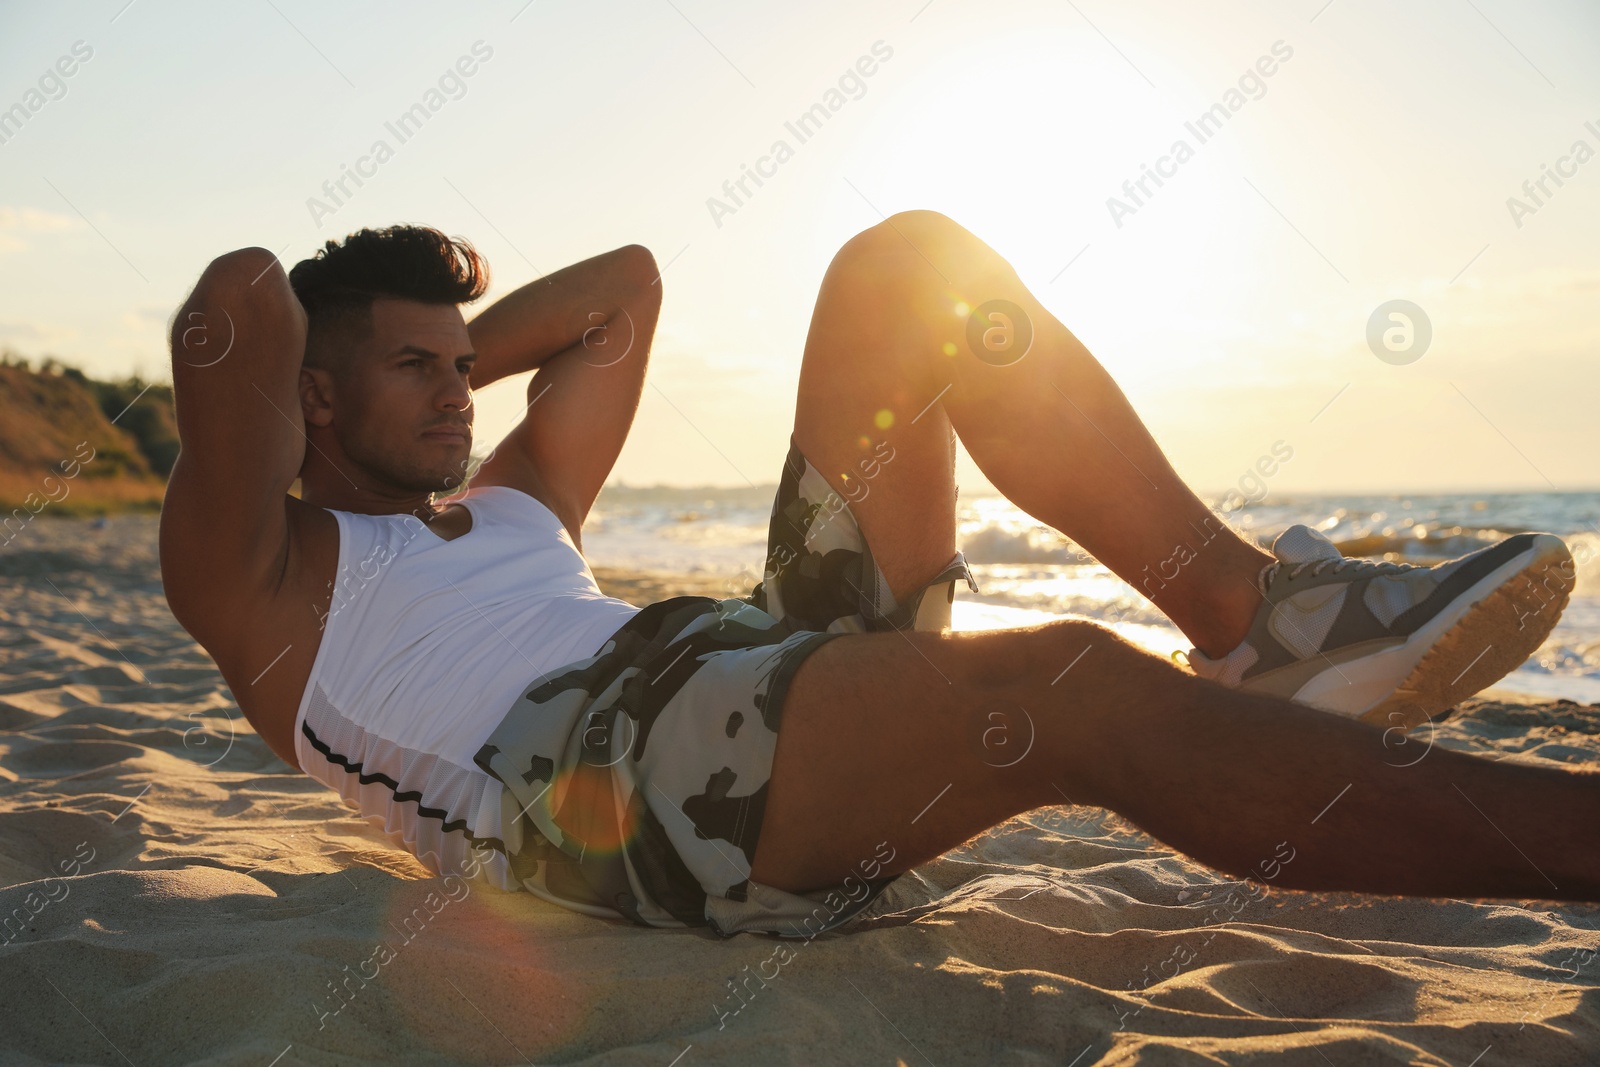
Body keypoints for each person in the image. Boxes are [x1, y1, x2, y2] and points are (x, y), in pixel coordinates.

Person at [159, 215, 1587, 940]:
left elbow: (628, 288)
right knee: (1068, 684)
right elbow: (232, 302)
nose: (463, 397)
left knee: (907, 270)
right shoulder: (266, 580)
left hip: (743, 672)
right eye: (418, 371)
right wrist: (338, 360)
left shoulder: (515, 499)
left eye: (465, 369)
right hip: (596, 788)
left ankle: (1251, 616)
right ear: (317, 400)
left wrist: (439, 357)